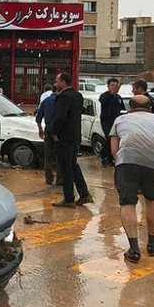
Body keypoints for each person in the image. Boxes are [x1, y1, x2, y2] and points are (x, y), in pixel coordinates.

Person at [109, 94, 154, 263]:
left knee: (127, 202)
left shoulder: (120, 120)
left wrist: (120, 160)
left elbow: (114, 150)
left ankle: (134, 250)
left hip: (126, 162)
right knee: (153, 200)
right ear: (150, 108)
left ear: (129, 108)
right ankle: (151, 244)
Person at [50, 73, 92, 208]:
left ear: (63, 82)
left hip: (64, 138)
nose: (55, 85)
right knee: (73, 165)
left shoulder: (63, 97)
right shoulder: (77, 95)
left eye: (57, 81)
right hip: (75, 137)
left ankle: (68, 198)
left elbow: (60, 117)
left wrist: (54, 132)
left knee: (65, 168)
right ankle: (84, 194)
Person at [36, 85, 61, 185]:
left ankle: (48, 179)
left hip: (48, 128)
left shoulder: (46, 101)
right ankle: (60, 179)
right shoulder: (61, 101)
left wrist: (40, 130)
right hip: (59, 130)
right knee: (59, 154)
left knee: (48, 155)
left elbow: (38, 118)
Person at [98, 78, 125, 166]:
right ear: (108, 86)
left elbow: (122, 109)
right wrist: (111, 95)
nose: (114, 87)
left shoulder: (118, 97)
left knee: (115, 139)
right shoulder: (104, 96)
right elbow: (103, 101)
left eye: (116, 86)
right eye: (112, 85)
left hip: (117, 121)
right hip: (107, 121)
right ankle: (104, 155)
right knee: (110, 137)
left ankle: (107, 156)